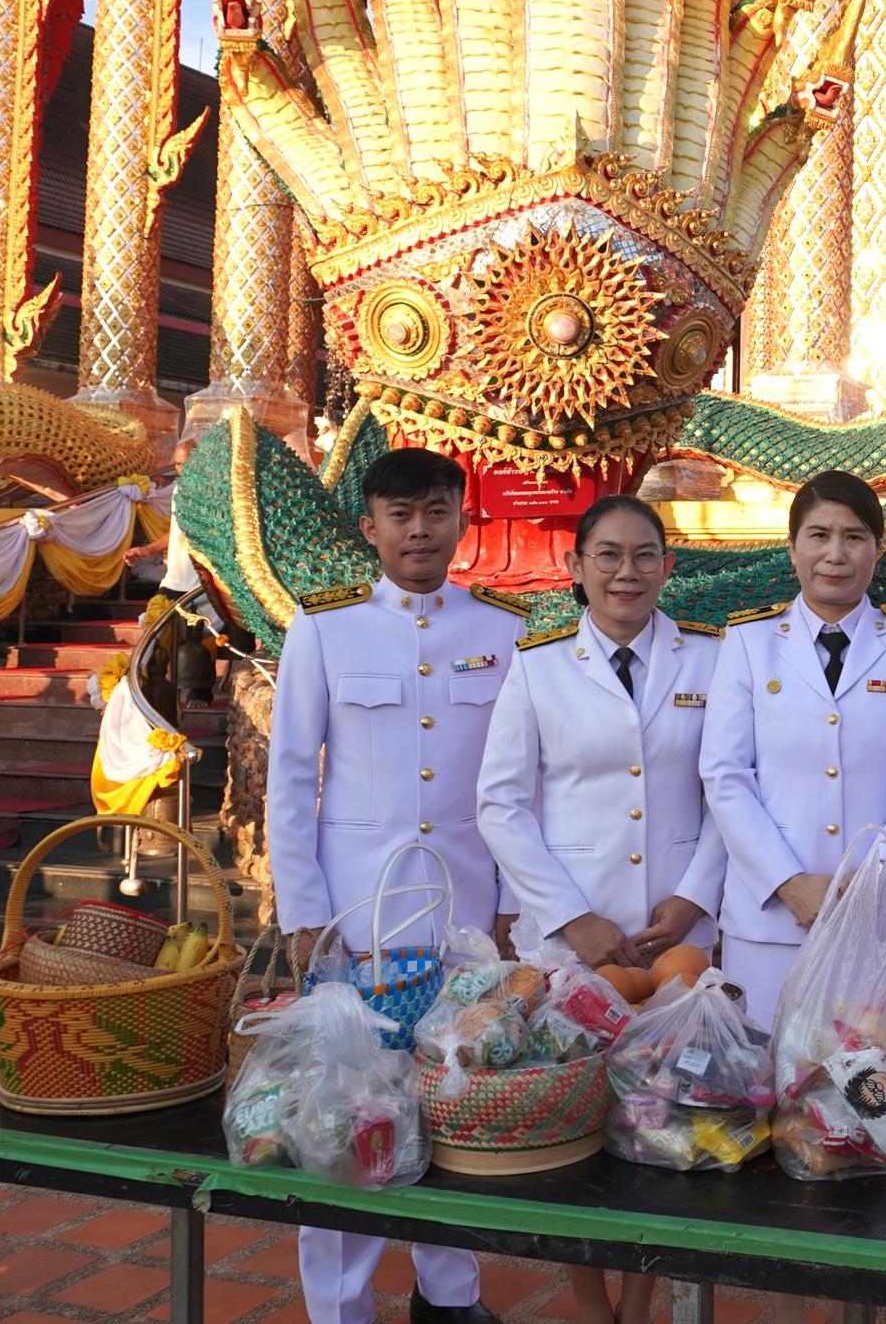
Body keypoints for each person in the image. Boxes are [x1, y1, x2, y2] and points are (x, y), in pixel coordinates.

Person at [268, 448, 524, 1324]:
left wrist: (516, 907)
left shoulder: (504, 631)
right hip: (356, 916)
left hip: (465, 913)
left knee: (454, 1103)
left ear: (462, 518)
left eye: (437, 511)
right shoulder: (326, 628)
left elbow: (519, 780)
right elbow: (292, 777)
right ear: (370, 525)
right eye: (401, 514)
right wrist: (303, 910)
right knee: (348, 1114)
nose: (420, 529)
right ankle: (339, 1308)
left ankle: (449, 1296)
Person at [477, 494, 724, 1324]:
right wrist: (567, 916)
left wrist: (696, 894)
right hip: (576, 940)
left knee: (667, 1114)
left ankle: (648, 1300)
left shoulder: (711, 660)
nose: (628, 572)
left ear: (668, 566)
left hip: (675, 937)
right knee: (575, 1113)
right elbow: (501, 805)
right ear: (577, 568)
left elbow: (730, 791)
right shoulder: (539, 664)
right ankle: (591, 1306)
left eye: (646, 555)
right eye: (609, 556)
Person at [700, 469, 886, 1027]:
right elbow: (725, 774)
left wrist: (864, 878)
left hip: (881, 915)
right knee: (765, 1085)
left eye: (854, 537)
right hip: (770, 921)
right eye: (818, 535)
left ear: (876, 551)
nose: (835, 553)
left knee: (874, 1087)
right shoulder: (748, 643)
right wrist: (789, 882)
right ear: (792, 549)